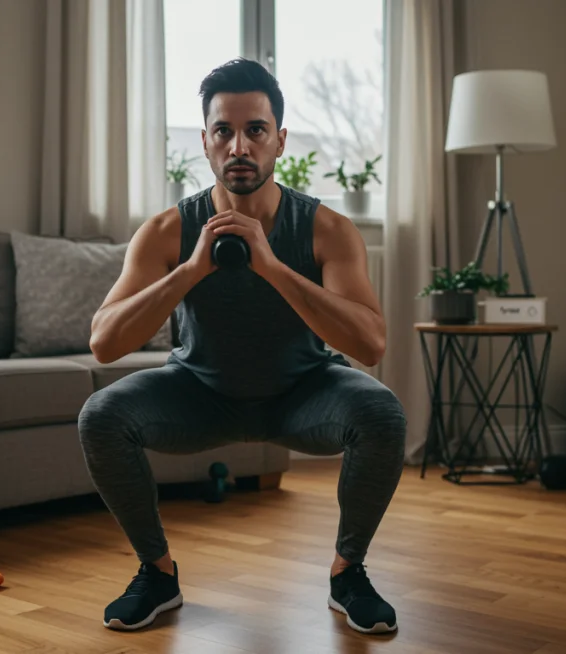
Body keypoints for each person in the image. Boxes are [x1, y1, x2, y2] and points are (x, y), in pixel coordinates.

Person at [79, 57, 406, 635]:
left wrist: (273, 266)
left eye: (255, 130)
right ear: (205, 142)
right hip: (201, 393)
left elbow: (371, 343)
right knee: (101, 416)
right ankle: (157, 575)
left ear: (279, 140)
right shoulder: (165, 232)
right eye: (223, 132)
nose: (239, 146)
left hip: (303, 393)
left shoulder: (326, 228)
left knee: (381, 411)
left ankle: (347, 574)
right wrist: (191, 270)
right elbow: (105, 342)